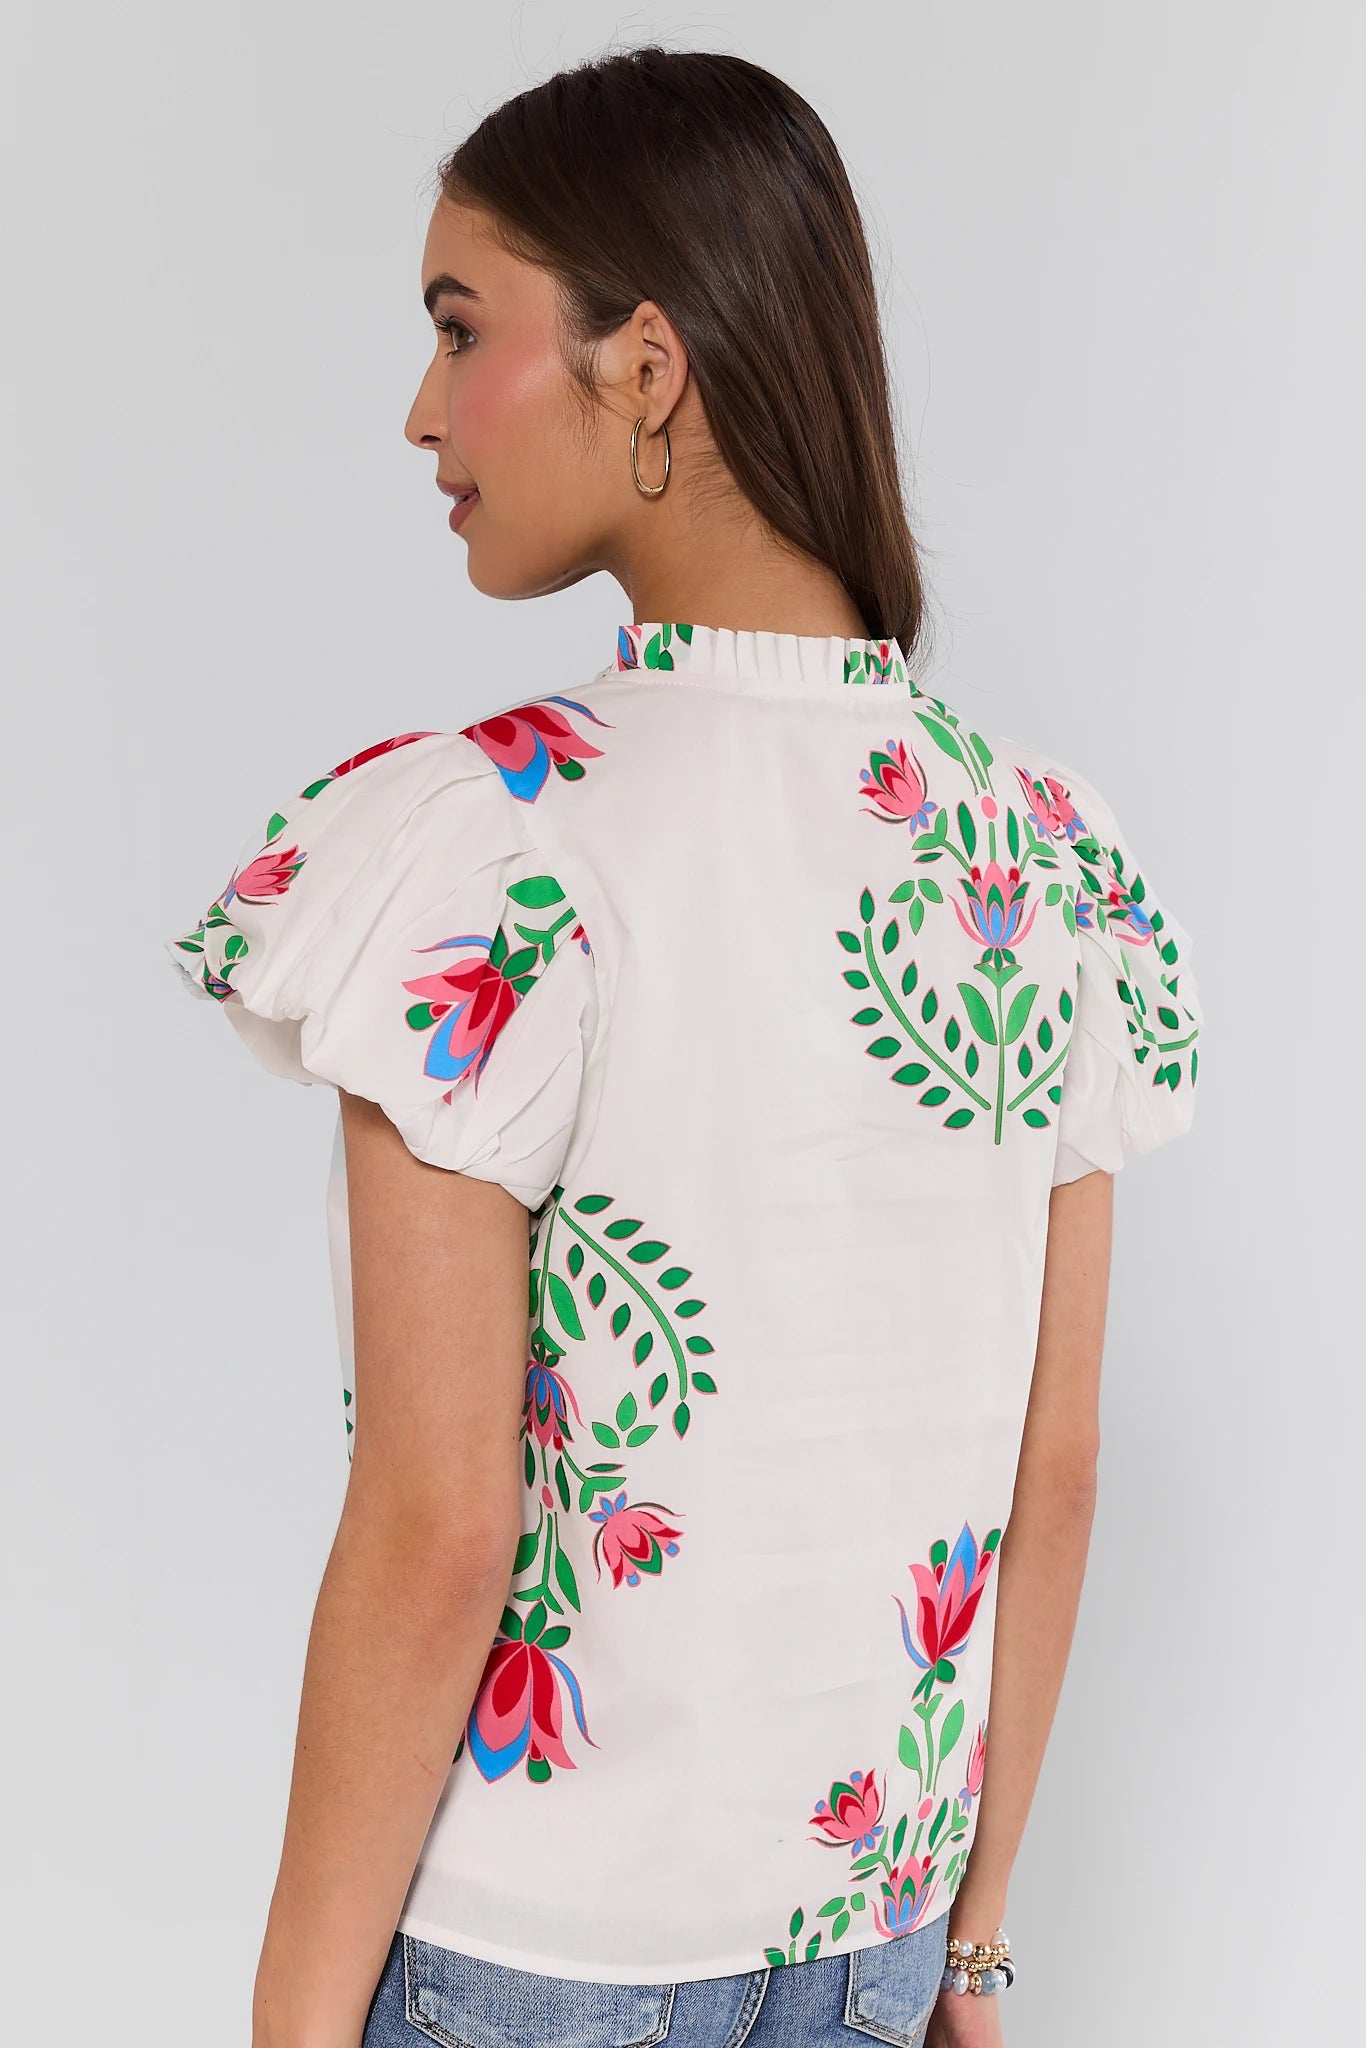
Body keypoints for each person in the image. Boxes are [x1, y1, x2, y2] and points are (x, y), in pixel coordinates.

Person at [165, 44, 1203, 2048]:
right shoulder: (1049, 858)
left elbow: (440, 1522)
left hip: (535, 1969)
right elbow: (1047, 1468)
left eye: (461, 329)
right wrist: (971, 1944)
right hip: (877, 1940)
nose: (418, 411)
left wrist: (292, 2019)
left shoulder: (496, 845)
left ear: (644, 365)